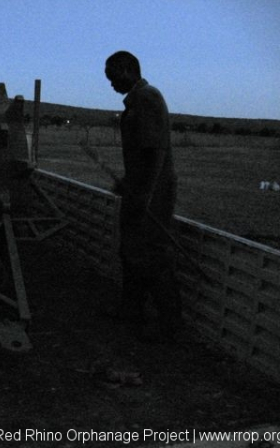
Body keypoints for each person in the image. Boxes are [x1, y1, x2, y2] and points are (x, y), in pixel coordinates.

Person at [104, 51, 181, 342]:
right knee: (131, 251)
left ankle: (170, 327)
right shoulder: (136, 101)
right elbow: (141, 157)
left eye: (112, 74)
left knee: (153, 255)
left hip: (153, 193)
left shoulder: (147, 98)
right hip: (141, 189)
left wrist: (145, 195)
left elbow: (155, 152)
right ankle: (131, 309)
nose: (110, 82)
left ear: (127, 69)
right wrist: (128, 183)